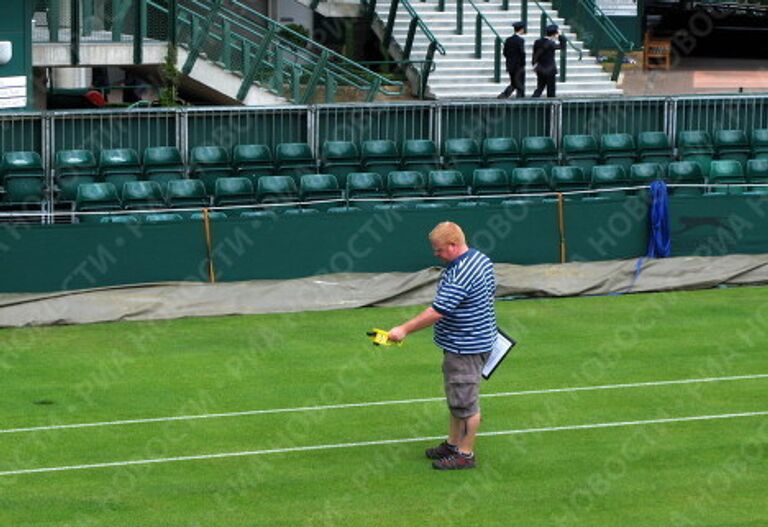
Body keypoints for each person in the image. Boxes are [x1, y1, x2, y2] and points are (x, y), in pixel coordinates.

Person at [387, 222, 497, 470]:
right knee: (458, 397)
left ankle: (465, 454)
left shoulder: (463, 272)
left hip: (466, 347)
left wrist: (403, 329)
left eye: (439, 250)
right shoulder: (480, 259)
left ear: (453, 244)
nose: (436, 254)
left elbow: (438, 311)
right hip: (470, 342)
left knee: (466, 402)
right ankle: (453, 443)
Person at [532, 24, 564, 98]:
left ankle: (532, 102)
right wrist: (561, 36)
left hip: (540, 68)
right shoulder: (551, 44)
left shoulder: (537, 42)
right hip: (550, 70)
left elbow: (534, 54)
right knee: (551, 90)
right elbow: (562, 46)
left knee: (539, 88)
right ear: (554, 34)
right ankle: (550, 107)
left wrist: (534, 64)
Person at [498, 21, 526, 99]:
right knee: (520, 83)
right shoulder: (520, 40)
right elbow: (522, 53)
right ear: (521, 29)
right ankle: (520, 99)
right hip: (518, 66)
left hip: (510, 65)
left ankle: (503, 95)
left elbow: (505, 52)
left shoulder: (508, 40)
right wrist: (523, 63)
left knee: (514, 82)